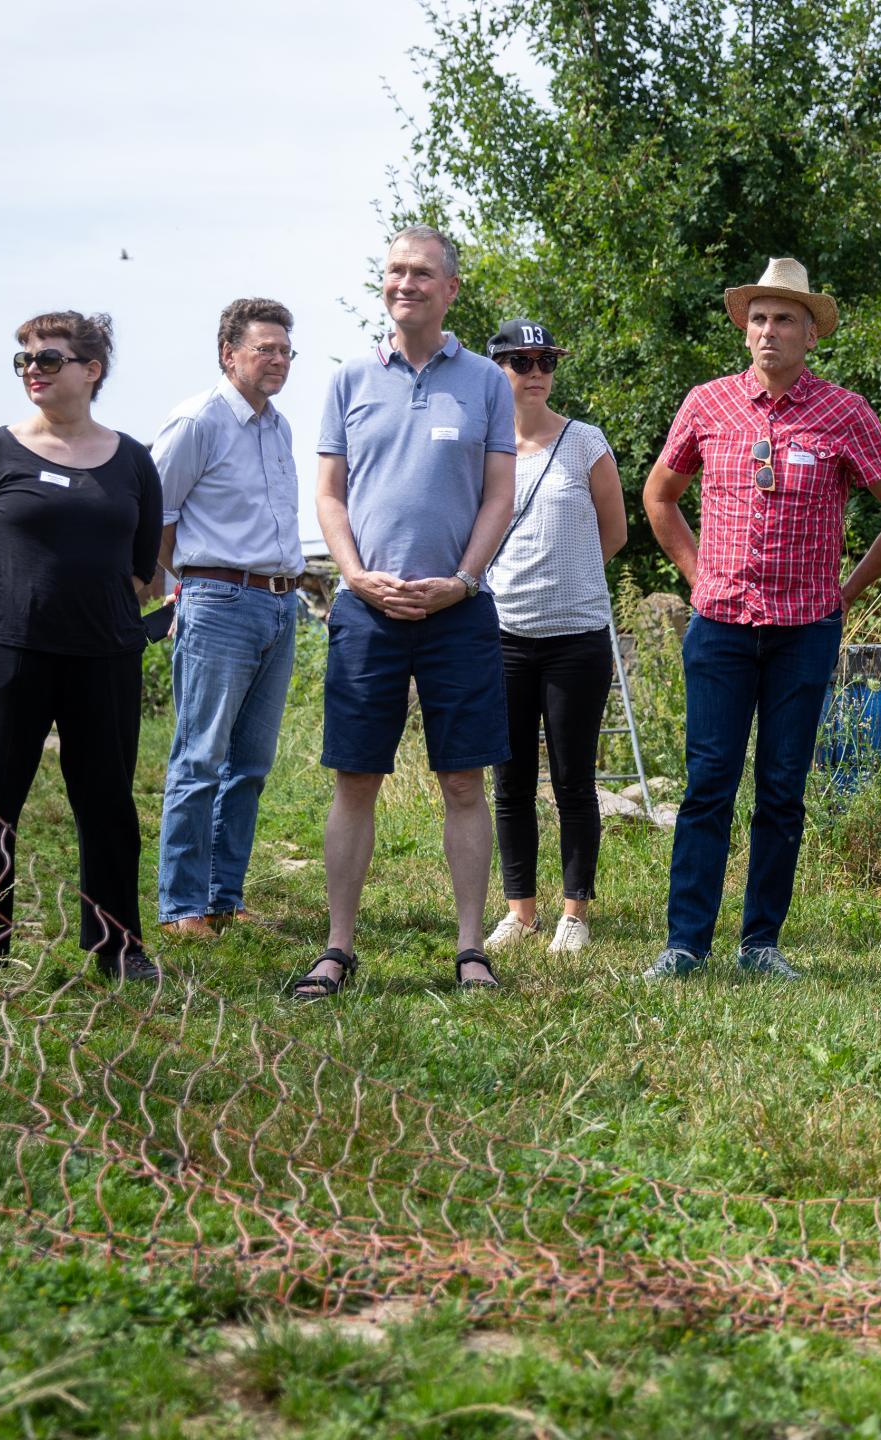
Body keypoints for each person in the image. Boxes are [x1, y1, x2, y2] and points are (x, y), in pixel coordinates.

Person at [641, 258, 881, 980]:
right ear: (746, 331)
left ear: (811, 334)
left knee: (780, 788)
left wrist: (849, 590)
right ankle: (685, 944)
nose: (769, 330)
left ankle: (760, 944)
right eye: (759, 318)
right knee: (708, 784)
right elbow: (659, 495)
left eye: (785, 319)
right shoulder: (707, 404)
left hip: (805, 629)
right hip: (720, 625)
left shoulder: (843, 412)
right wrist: (698, 574)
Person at [291, 225, 517, 1000]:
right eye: (394, 270)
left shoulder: (486, 382)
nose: (404, 283)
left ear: (450, 289)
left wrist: (462, 579)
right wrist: (355, 577)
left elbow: (498, 496)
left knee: (464, 782)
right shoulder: (349, 380)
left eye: (421, 272)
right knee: (355, 779)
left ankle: (471, 950)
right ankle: (336, 949)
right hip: (367, 609)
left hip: (458, 609)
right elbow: (329, 495)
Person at [0, 311, 163, 982]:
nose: (32, 370)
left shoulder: (133, 461)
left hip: (105, 655)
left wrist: (86, 613)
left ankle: (117, 948)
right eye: (24, 360)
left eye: (48, 358)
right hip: (9, 654)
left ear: (91, 370)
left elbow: (142, 568)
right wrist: (7, 619)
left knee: (107, 805)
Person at [151, 298, 304, 941]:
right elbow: (155, 519)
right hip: (219, 602)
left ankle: (223, 896)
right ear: (228, 354)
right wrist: (192, 584)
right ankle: (182, 905)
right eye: (265, 348)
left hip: (280, 603)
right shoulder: (197, 421)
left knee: (251, 763)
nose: (279, 360)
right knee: (201, 757)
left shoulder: (280, 426)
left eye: (286, 350)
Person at [478, 318, 628, 957]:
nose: (535, 372)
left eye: (546, 361)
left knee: (573, 780)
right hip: (503, 636)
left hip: (576, 637)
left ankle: (575, 913)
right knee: (509, 780)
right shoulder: (483, 448)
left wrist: (566, 580)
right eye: (521, 361)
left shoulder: (585, 441)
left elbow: (614, 532)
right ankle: (520, 912)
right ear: (497, 370)